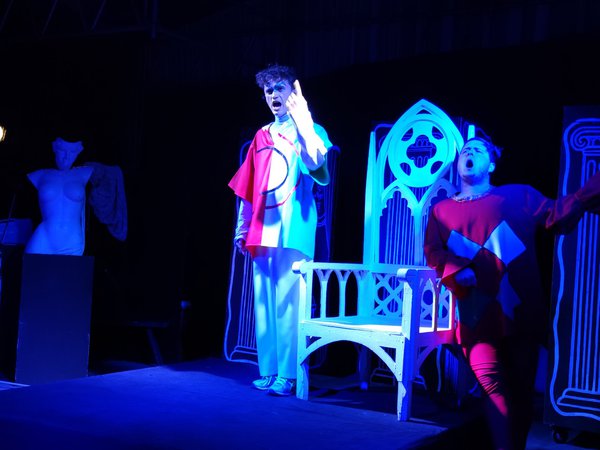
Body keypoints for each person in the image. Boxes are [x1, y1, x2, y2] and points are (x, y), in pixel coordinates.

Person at [424, 134, 600, 450]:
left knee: (520, 396)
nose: (470, 152)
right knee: (492, 388)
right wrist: (456, 268)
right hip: (476, 314)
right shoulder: (441, 210)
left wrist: (589, 192)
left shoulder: (518, 196)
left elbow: (557, 214)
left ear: (491, 164)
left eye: (478, 150)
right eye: (465, 150)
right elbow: (433, 251)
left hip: (521, 313)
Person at [228, 64, 333, 396]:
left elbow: (317, 164)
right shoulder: (261, 135)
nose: (273, 95)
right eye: (268, 90)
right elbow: (248, 187)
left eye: (280, 88)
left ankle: (288, 374)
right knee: (264, 303)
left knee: (289, 302)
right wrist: (242, 228)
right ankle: (269, 370)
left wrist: (304, 122)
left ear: (293, 92)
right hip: (262, 230)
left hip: (294, 228)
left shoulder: (311, 129)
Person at [25, 137, 93, 256]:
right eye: (62, 150)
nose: (67, 157)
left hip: (72, 240)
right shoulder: (40, 175)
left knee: (69, 269)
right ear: (55, 149)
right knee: (31, 266)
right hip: (44, 238)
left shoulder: (84, 173)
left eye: (72, 152)